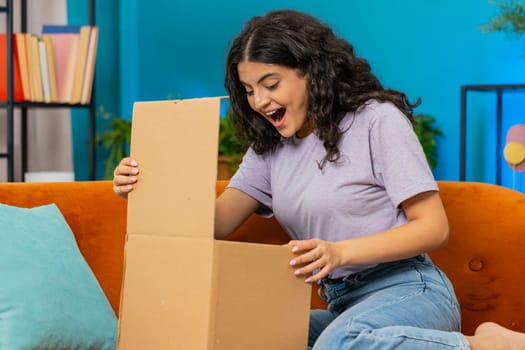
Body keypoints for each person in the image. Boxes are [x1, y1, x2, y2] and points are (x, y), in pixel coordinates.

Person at [113, 9, 525, 350]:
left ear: (311, 71)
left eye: (270, 84)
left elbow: (434, 227)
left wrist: (339, 252)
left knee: (338, 345)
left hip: (407, 288)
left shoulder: (375, 120)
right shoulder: (269, 149)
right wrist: (148, 184)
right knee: (242, 334)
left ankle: (481, 345)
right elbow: (211, 225)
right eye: (248, 90)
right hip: (343, 304)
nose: (259, 102)